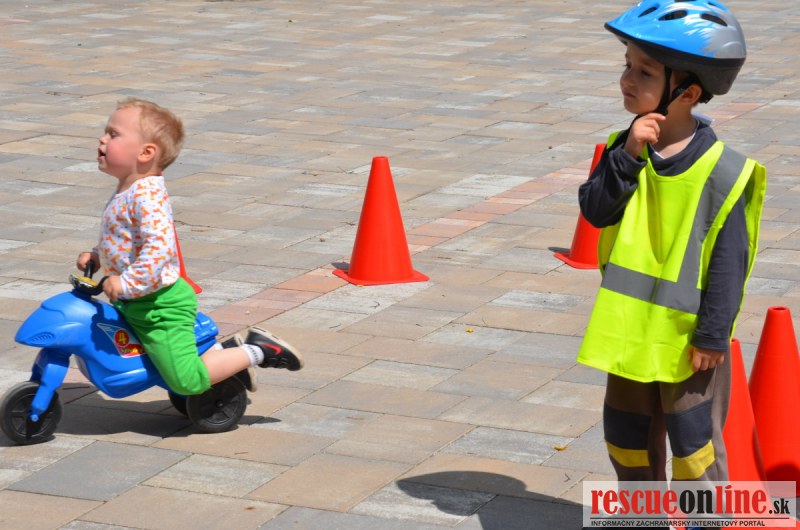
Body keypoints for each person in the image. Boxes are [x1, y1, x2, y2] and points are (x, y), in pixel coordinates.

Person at [576, 0, 766, 524]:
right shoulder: (623, 149)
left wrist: (712, 336)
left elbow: (728, 264)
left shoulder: (723, 172)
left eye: (645, 72)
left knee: (694, 452)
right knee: (628, 443)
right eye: (627, 66)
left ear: (688, 92)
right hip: (628, 338)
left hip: (688, 348)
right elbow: (595, 211)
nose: (626, 79)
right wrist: (627, 158)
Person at [76, 97, 304, 397]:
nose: (102, 139)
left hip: (159, 306)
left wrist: (128, 282)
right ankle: (223, 355)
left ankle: (259, 350)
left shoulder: (147, 197)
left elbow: (158, 249)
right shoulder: (129, 188)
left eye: (113, 134)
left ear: (146, 153)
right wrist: (98, 254)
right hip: (137, 299)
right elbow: (125, 237)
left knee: (187, 382)